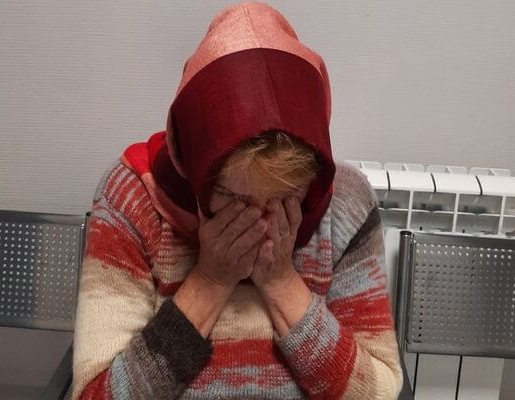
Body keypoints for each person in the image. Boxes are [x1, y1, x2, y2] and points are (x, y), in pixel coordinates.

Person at [72, 1, 403, 399]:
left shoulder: (346, 202)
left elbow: (379, 391)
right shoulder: (133, 198)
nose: (261, 222)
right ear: (193, 164)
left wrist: (281, 282)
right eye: (234, 198)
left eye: (285, 198)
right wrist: (210, 281)